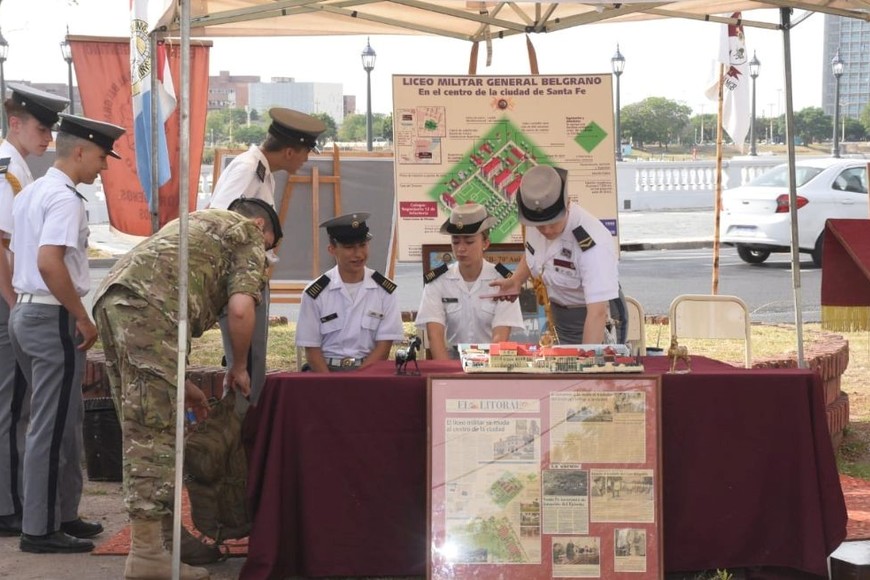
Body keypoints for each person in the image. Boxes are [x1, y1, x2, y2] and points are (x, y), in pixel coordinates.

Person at [92, 198, 282, 579]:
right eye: (271, 246)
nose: (267, 258)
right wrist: (240, 367)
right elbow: (242, 309)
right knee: (153, 433)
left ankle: (164, 540)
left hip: (115, 298)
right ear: (262, 226)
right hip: (149, 307)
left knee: (141, 423)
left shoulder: (201, 223)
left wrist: (184, 383)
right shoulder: (246, 233)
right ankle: (148, 556)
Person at [9, 113, 124, 553]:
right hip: (52, 316)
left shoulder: (33, 191)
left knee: (62, 420)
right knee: (49, 427)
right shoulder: (64, 199)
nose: (104, 166)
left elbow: (17, 255)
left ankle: (61, 514)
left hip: (29, 312)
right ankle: (39, 529)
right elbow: (48, 262)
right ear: (79, 151)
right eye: (100, 156)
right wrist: (81, 315)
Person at [208, 107, 325, 405]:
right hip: (239, 282)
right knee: (244, 369)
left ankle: (245, 436)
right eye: (305, 151)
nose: (306, 159)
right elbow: (216, 224)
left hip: (248, 278)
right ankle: (239, 440)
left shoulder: (261, 171)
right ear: (289, 151)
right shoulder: (249, 169)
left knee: (253, 364)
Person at [0, 84, 69, 538]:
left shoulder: (21, 169)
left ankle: (17, 501)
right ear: (16, 124)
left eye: (50, 131)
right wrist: (13, 305)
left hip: (11, 299)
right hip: (8, 299)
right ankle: (8, 505)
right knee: (9, 407)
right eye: (41, 129)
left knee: (19, 407)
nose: (47, 138)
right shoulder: (7, 171)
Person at [490, 165, 624, 344]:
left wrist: (587, 363)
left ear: (567, 203)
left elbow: (597, 313)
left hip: (595, 317)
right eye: (540, 225)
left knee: (588, 366)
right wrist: (516, 280)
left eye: (552, 223)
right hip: (558, 315)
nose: (546, 230)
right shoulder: (533, 221)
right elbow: (533, 251)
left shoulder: (591, 242)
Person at [296, 212, 404, 372]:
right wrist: (331, 385)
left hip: (368, 373)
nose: (358, 254)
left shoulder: (385, 291)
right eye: (349, 248)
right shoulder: (315, 292)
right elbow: (311, 349)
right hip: (326, 373)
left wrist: (356, 382)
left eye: (362, 245)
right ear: (332, 249)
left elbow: (384, 347)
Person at [415, 203, 524, 359]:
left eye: (469, 241)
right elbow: (435, 335)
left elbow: (500, 336)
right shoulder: (438, 281)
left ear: (485, 243)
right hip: (452, 358)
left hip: (491, 358)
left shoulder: (503, 280)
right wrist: (448, 376)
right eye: (455, 241)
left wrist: (484, 371)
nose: (461, 248)